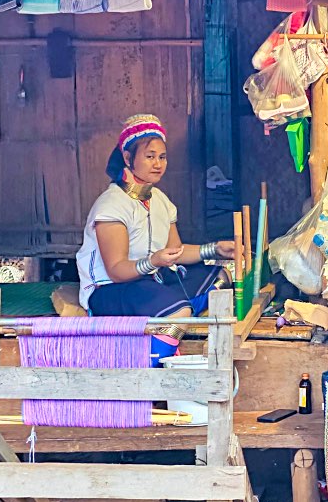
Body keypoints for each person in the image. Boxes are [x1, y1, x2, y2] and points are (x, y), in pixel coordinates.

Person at [76, 114, 234, 361]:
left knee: (221, 277)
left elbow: (176, 250)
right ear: (127, 158)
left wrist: (214, 249)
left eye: (162, 157)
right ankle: (147, 363)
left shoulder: (160, 200)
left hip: (150, 281)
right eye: (150, 157)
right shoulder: (111, 205)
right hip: (109, 290)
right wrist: (153, 262)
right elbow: (117, 271)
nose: (158, 164)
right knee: (178, 314)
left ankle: (171, 312)